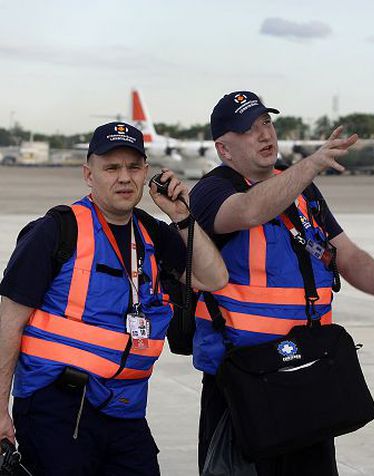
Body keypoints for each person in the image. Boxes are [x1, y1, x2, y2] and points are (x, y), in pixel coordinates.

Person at [190, 91, 374, 475]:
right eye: (248, 130)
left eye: (267, 123)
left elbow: (346, 253)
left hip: (306, 372)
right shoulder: (212, 191)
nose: (265, 135)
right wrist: (311, 164)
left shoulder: (302, 192)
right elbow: (249, 210)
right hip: (244, 384)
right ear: (224, 148)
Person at [0, 121, 228, 475]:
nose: (125, 177)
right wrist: (0, 409)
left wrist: (182, 215)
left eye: (133, 167)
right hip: (58, 408)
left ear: (147, 173)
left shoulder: (153, 234)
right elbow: (9, 323)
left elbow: (214, 279)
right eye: (112, 167)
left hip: (125, 409)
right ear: (89, 174)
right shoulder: (58, 230)